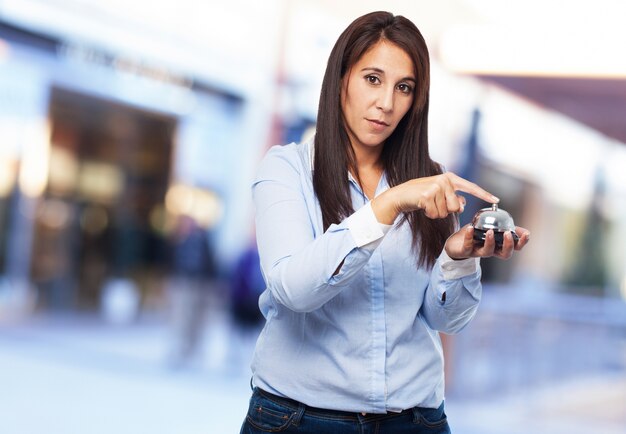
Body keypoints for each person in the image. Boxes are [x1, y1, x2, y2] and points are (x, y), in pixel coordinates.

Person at [240, 11, 530, 434]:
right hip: (301, 420)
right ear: (341, 78)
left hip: (415, 421)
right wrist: (387, 205)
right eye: (372, 79)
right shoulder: (287, 170)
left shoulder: (429, 180)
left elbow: (446, 320)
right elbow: (293, 290)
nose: (387, 103)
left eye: (404, 87)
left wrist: (457, 257)